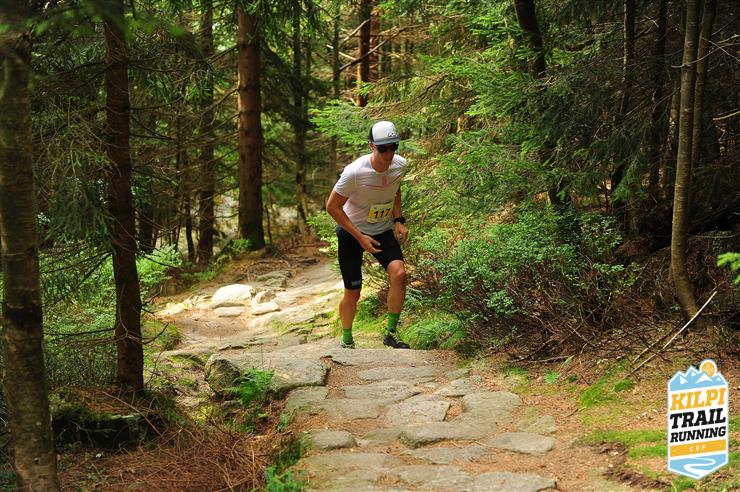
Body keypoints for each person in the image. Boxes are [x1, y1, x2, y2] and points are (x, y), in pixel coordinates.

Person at [326, 121, 410, 349]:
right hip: (351, 233)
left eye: (393, 147)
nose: (389, 154)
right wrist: (359, 236)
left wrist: (398, 220)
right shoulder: (355, 172)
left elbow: (395, 188)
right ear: (371, 146)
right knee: (353, 292)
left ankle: (391, 333)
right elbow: (332, 207)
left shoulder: (399, 165)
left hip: (381, 230)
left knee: (399, 274)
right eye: (383, 149)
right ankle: (347, 339)